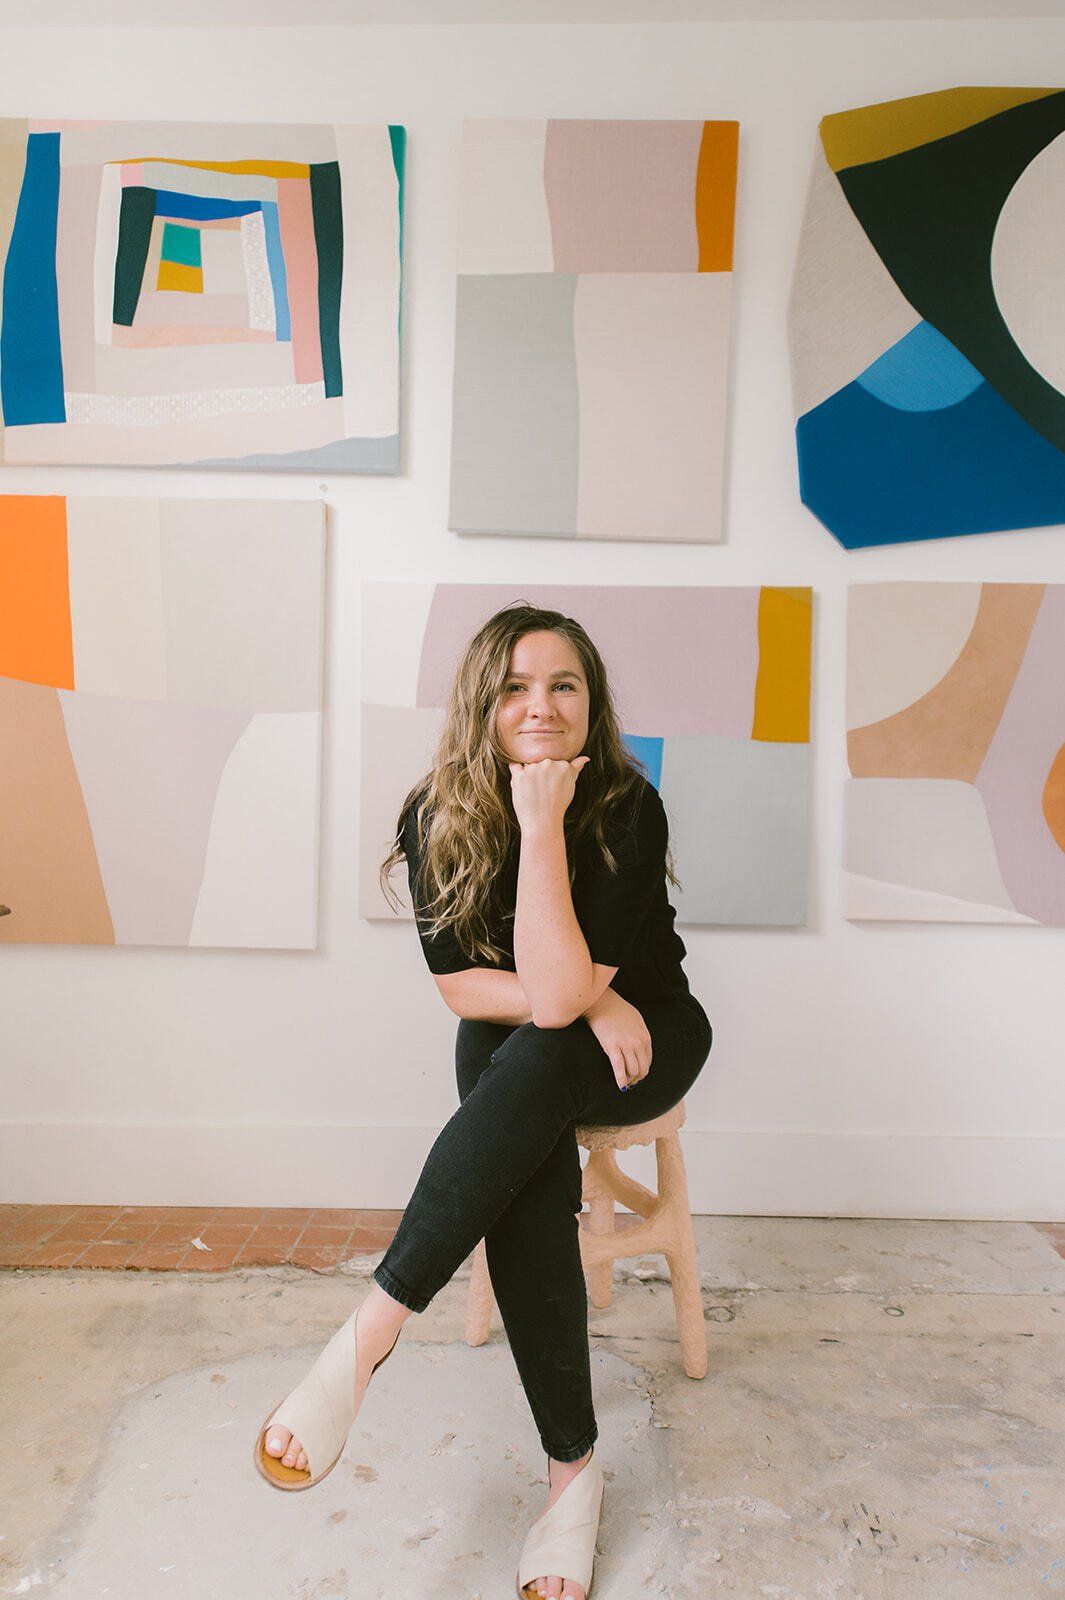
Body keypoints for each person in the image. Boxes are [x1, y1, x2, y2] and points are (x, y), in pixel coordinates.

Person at [254, 602, 713, 1600]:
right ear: (480, 701)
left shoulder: (629, 805)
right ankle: (573, 1473)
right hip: (552, 1024)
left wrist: (545, 821)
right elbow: (467, 987)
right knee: (510, 1072)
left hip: (654, 1031)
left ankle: (369, 1331)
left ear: (593, 704)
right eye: (514, 685)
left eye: (564, 685)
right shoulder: (436, 812)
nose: (540, 705)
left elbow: (555, 993)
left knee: (531, 1062)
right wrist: (588, 994)